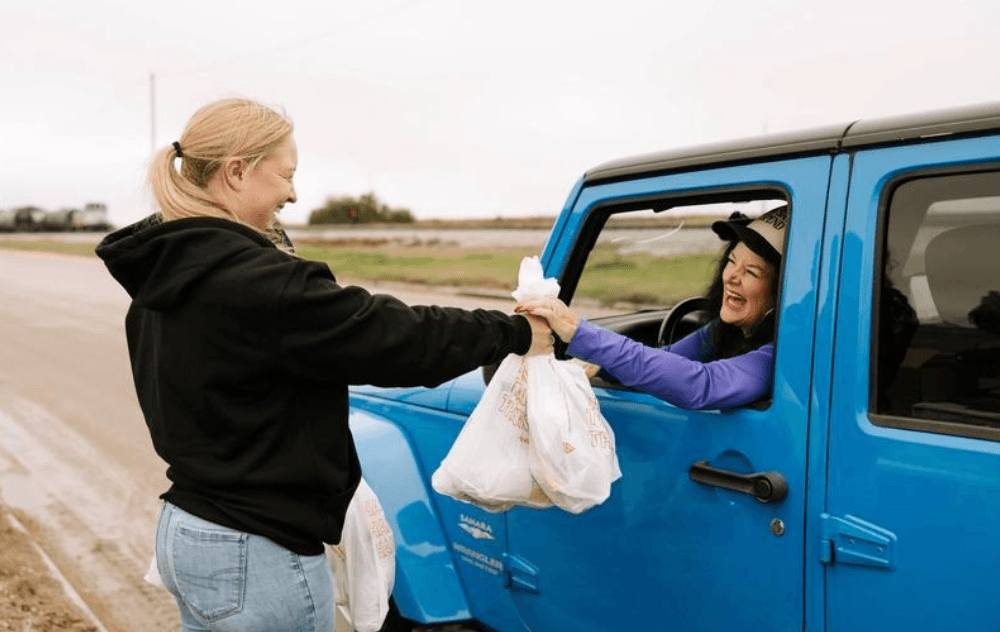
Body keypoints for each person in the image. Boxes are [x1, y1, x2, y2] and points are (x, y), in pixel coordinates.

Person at [95, 97, 552, 632]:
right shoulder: (257, 282)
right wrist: (516, 331)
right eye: (286, 175)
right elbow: (393, 335)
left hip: (191, 529)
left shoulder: (164, 275)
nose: (293, 192)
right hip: (258, 550)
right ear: (237, 171)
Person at [516, 205, 788, 410]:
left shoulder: (780, 354)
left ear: (781, 291)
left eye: (751, 272)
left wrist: (580, 333)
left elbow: (702, 385)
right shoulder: (725, 331)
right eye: (731, 261)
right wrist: (603, 369)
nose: (730, 277)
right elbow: (667, 358)